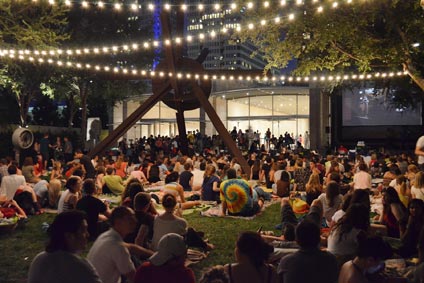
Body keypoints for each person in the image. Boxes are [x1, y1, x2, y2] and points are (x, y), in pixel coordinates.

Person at [28, 211, 102, 283]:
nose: (87, 234)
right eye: (83, 230)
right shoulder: (80, 267)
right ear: (69, 236)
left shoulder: (39, 260)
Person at [87, 206, 153, 283]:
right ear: (118, 222)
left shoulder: (107, 236)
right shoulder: (118, 247)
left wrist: (154, 254)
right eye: (130, 218)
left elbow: (131, 247)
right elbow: (135, 278)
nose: (135, 221)